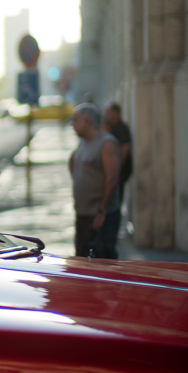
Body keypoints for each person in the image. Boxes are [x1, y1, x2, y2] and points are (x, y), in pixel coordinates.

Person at [69, 103, 121, 258]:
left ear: (87, 121)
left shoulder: (107, 143)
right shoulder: (83, 141)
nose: (72, 124)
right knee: (82, 261)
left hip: (100, 217)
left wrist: (101, 211)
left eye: (75, 120)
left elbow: (112, 179)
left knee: (102, 262)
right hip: (83, 214)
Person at [103, 102, 133, 201]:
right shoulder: (110, 127)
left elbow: (125, 148)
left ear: (116, 113)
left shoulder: (121, 128)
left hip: (120, 171)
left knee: (116, 198)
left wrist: (117, 166)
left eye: (108, 112)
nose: (106, 115)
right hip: (115, 170)